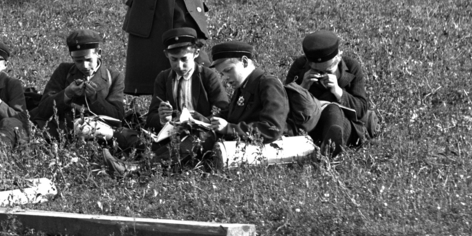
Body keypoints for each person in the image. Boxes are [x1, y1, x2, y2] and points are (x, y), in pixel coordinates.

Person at [115, 26, 229, 163]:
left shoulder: (207, 76)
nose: (179, 66)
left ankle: (141, 166)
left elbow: (225, 111)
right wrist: (163, 118)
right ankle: (160, 157)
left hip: (199, 134)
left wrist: (203, 120)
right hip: (170, 133)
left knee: (191, 141)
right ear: (166, 55)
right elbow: (151, 118)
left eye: (184, 59)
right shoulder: (163, 78)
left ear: (196, 53)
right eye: (174, 60)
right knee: (122, 134)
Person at [176, 41, 288, 165]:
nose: (225, 79)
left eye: (228, 70)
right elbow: (229, 115)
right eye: (222, 74)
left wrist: (228, 128)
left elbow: (271, 129)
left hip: (265, 152)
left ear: (245, 61)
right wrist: (201, 120)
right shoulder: (243, 86)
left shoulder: (268, 84)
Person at [284, 30, 376, 156]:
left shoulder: (352, 67)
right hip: (310, 124)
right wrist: (302, 87)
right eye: (316, 71)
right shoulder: (300, 67)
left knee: (333, 109)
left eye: (327, 71)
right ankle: (325, 150)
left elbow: (361, 109)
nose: (322, 76)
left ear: (338, 58)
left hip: (342, 125)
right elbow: (283, 105)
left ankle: (330, 149)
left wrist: (338, 92)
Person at [30, 31, 126, 139]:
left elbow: (118, 117)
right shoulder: (64, 71)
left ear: (98, 53)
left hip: (97, 134)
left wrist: (95, 98)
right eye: (78, 61)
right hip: (61, 131)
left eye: (89, 60)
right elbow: (43, 109)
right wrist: (67, 93)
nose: (84, 66)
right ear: (72, 57)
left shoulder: (114, 77)